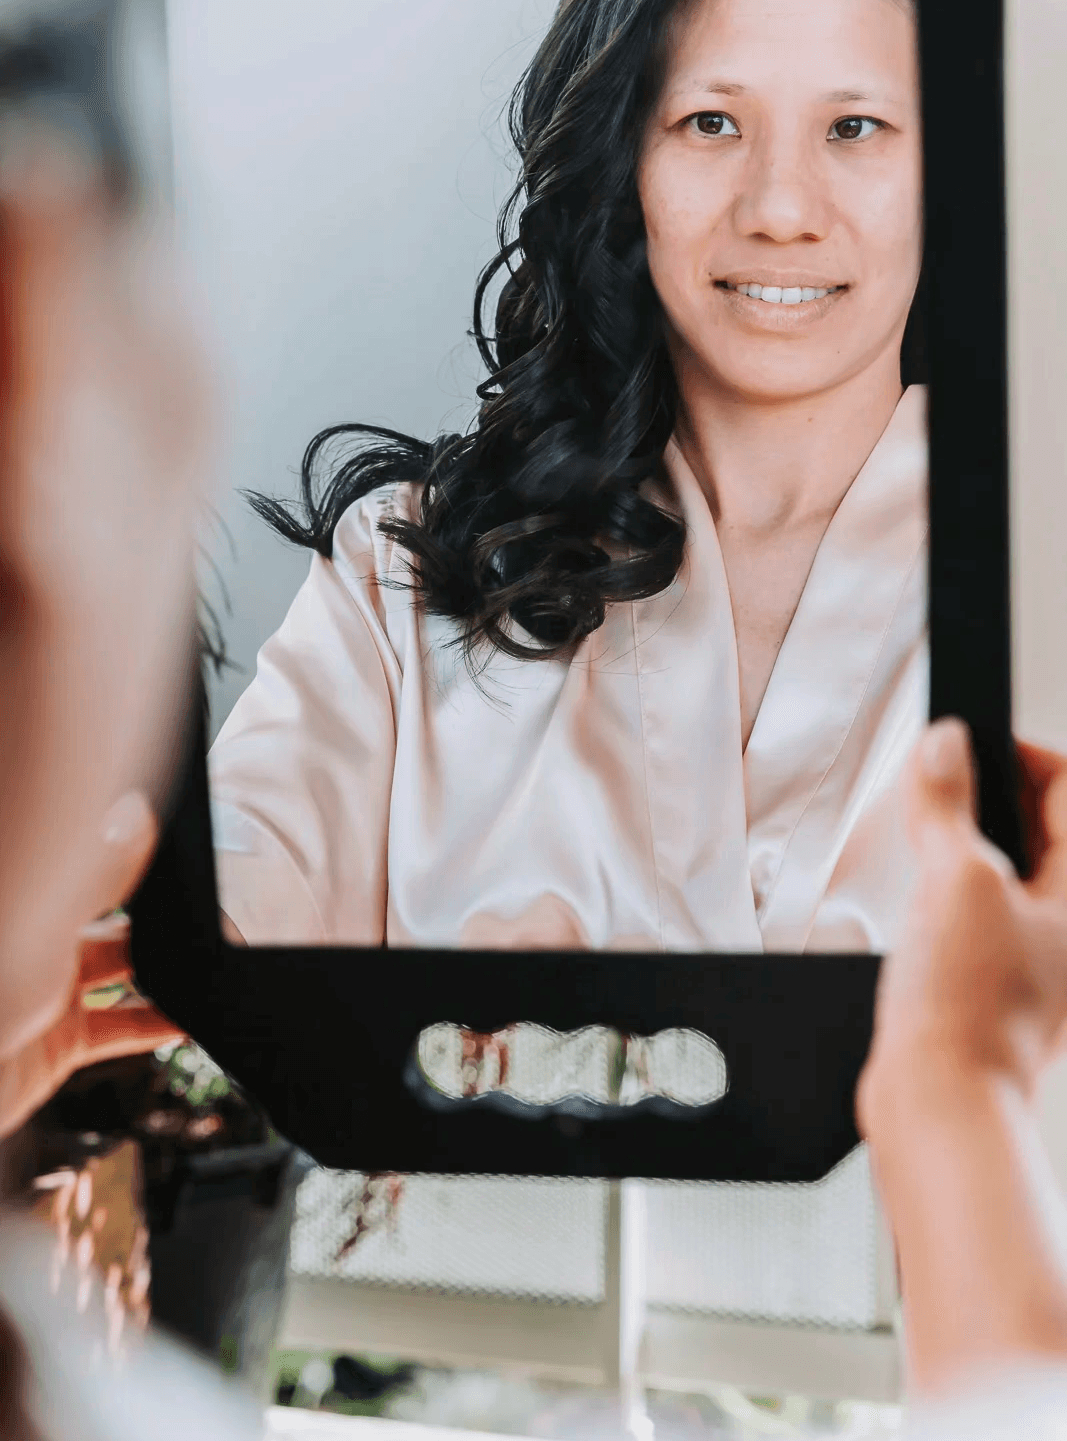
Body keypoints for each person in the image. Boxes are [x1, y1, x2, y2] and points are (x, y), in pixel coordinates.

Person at [207, 0, 928, 960]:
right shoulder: (399, 582)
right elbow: (215, 914)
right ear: (623, 159)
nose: (780, 212)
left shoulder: (1034, 573)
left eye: (855, 126)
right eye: (710, 121)